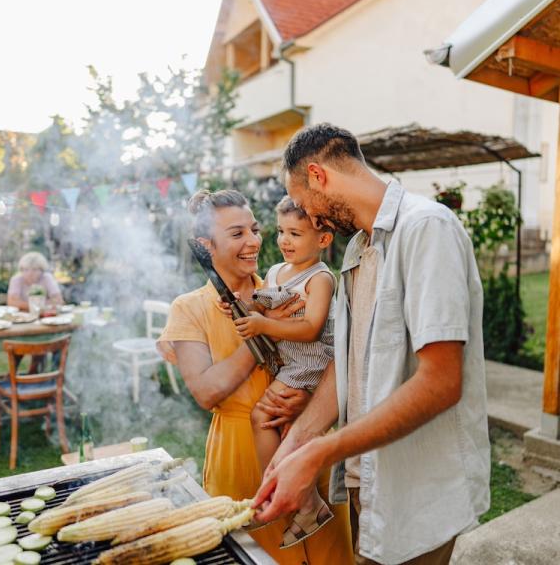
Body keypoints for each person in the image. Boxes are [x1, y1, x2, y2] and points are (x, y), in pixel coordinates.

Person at [253, 123, 490, 565]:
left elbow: (440, 382)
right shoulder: (357, 249)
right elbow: (349, 365)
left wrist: (323, 450)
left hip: (420, 491)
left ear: (318, 175)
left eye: (306, 206)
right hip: (369, 483)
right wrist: (297, 444)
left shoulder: (426, 229)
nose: (313, 221)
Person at [158, 189, 354, 565]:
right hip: (243, 456)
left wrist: (311, 401)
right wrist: (263, 333)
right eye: (236, 234)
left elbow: (332, 351)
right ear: (206, 245)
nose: (253, 242)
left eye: (254, 229)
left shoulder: (288, 288)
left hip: (309, 442)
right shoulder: (189, 309)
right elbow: (207, 391)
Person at [233, 195, 337, 547]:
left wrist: (262, 325)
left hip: (309, 363)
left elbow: (311, 328)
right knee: (284, 427)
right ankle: (307, 505)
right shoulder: (277, 271)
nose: (284, 241)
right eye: (280, 231)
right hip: (287, 363)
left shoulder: (320, 279)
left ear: (323, 239)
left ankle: (279, 496)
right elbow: (264, 302)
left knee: (262, 416)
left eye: (295, 233)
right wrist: (242, 305)